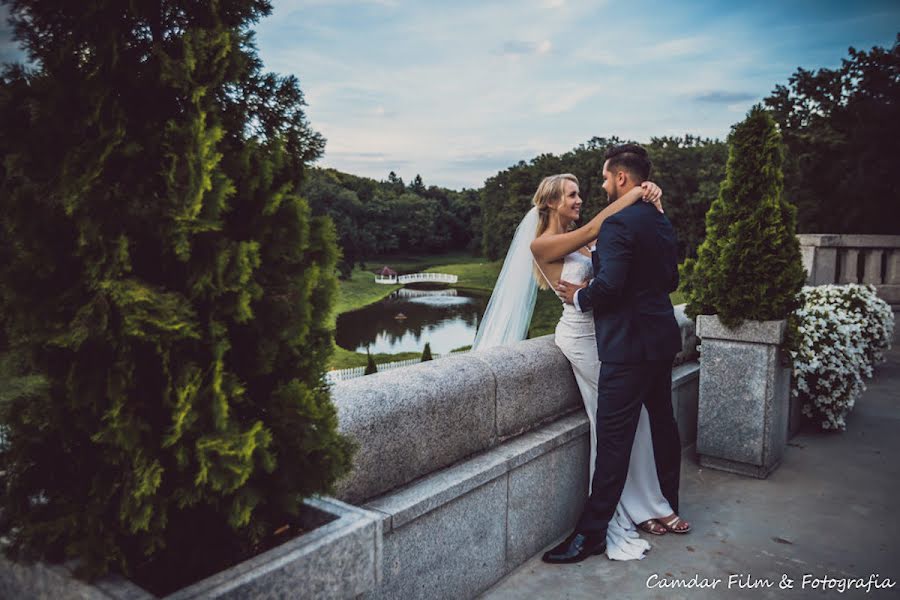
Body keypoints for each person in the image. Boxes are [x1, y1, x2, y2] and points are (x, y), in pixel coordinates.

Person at [545, 144, 687, 564]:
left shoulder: (618, 225)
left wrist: (580, 297)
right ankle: (667, 503)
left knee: (611, 442)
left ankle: (590, 536)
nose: (603, 186)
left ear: (621, 178)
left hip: (626, 347)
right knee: (663, 424)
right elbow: (671, 278)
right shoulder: (660, 221)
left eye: (606, 178)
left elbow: (608, 288)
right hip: (661, 339)